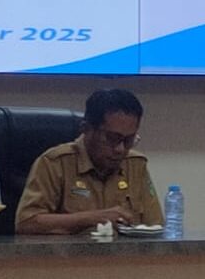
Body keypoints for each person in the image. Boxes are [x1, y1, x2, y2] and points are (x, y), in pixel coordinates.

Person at [15, 89, 164, 234]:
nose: (120, 149)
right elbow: (26, 223)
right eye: (112, 138)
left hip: (125, 251)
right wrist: (92, 219)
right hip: (68, 251)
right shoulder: (55, 163)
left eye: (129, 140)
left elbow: (156, 227)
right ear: (86, 129)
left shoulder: (136, 164)